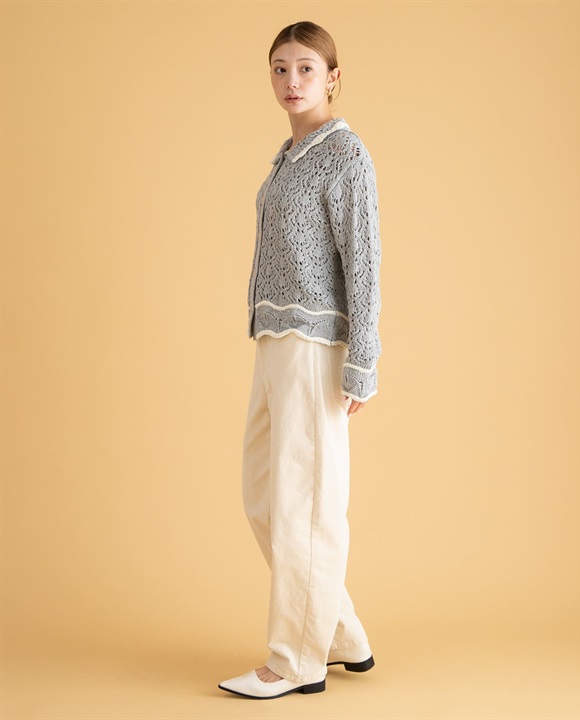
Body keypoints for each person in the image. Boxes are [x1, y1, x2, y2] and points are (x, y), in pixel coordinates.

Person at [218, 20, 382, 700]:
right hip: (275, 341)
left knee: (305, 505)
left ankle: (295, 662)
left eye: (306, 68)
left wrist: (363, 360)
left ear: (333, 77)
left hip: (315, 347)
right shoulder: (288, 157)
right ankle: (339, 634)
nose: (292, 81)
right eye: (281, 68)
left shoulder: (345, 155)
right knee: (265, 492)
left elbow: (364, 261)